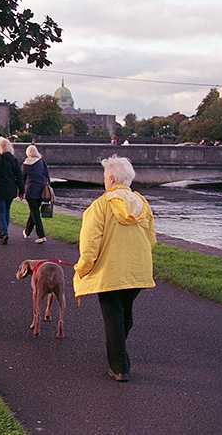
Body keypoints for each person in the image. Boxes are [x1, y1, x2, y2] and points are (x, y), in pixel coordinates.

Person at [74, 156, 156, 382]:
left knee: (113, 317)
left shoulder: (100, 206)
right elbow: (151, 239)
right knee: (125, 313)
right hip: (137, 272)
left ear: (111, 178)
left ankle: (119, 367)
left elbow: (90, 246)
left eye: (104, 177)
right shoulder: (143, 205)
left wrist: (82, 268)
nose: (103, 181)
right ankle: (117, 346)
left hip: (110, 272)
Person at [0, 137, 24, 245]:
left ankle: (3, 232)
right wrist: (21, 191)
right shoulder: (13, 160)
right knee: (6, 210)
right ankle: (4, 231)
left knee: (0, 211)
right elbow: (19, 177)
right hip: (11, 189)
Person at [21, 145, 50, 244]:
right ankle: (27, 231)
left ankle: (41, 235)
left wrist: (20, 191)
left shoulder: (26, 164)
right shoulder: (42, 163)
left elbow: (22, 179)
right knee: (34, 212)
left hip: (30, 192)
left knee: (35, 213)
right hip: (41, 191)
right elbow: (47, 177)